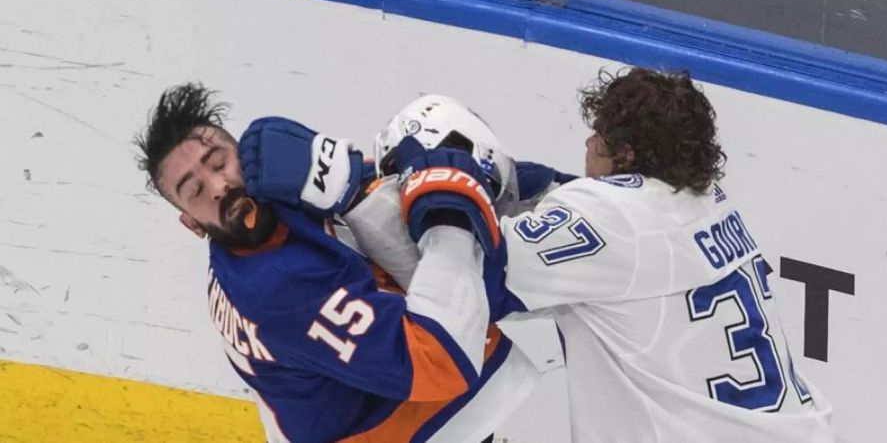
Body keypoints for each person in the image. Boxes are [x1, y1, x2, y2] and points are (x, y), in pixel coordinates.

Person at [359, 69, 836, 442]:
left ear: (626, 154)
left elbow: (470, 284)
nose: (588, 143)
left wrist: (390, 194)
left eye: (600, 134)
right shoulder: (705, 198)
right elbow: (624, 238)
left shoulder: (609, 215)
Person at [133, 83, 540, 443]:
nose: (219, 186)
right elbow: (440, 360)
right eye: (196, 190)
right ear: (191, 224)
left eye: (219, 162)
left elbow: (378, 190)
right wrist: (452, 221)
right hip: (397, 425)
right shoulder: (276, 287)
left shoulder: (273, 193)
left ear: (241, 152)